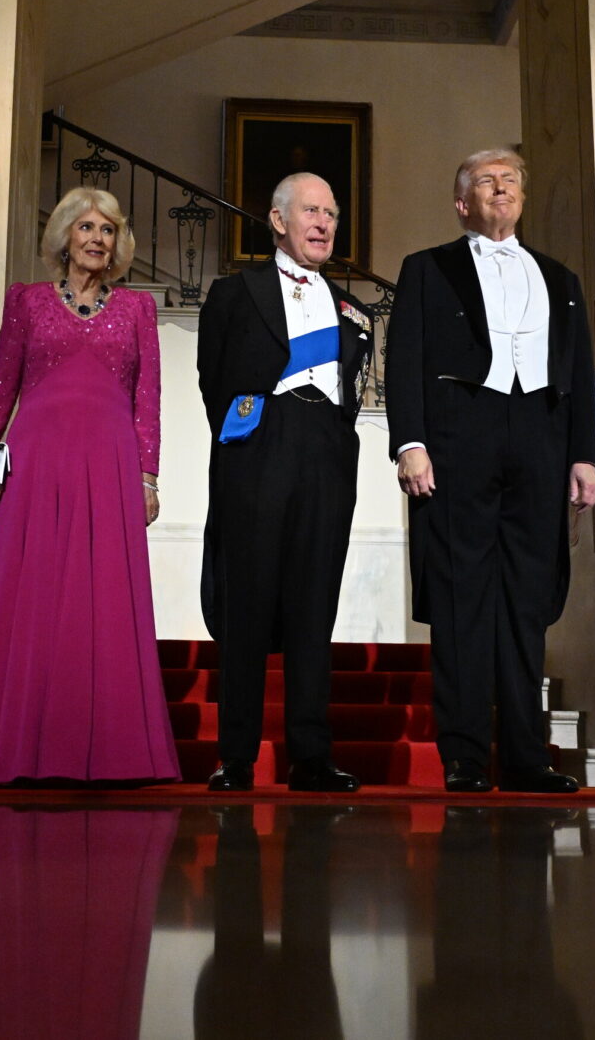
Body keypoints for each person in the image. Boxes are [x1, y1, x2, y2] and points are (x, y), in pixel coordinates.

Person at [0, 187, 180, 784]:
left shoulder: (137, 310)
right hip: (37, 463)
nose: (97, 238)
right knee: (32, 597)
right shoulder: (26, 301)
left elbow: (147, 399)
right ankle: (16, 750)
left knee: (102, 601)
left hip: (110, 463)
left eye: (107, 230)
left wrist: (147, 476)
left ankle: (112, 754)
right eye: (86, 227)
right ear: (65, 236)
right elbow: (2, 383)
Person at [385, 149, 595, 794]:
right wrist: (410, 442)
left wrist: (584, 454)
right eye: (486, 181)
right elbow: (405, 358)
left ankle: (528, 757)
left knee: (526, 601)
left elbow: (578, 371)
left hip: (539, 438)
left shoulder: (560, 278)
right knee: (461, 599)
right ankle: (465, 756)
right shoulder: (427, 268)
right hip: (459, 437)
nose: (501, 187)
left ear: (522, 198)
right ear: (462, 204)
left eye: (510, 180)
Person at [197, 172, 374, 793]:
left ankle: (311, 757)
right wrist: (250, 444)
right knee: (246, 604)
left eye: (331, 213)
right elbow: (214, 382)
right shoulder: (234, 292)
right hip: (258, 450)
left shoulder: (352, 310)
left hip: (327, 453)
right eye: (311, 211)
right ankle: (237, 757)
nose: (324, 223)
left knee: (313, 606)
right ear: (277, 221)